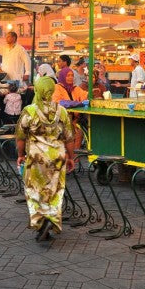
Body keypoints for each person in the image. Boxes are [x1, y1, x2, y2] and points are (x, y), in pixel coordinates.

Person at [15, 76, 75, 242]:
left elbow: (20, 136)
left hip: (35, 158)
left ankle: (41, 224)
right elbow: (69, 137)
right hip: (57, 157)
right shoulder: (61, 111)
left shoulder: (30, 111)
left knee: (35, 191)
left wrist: (20, 154)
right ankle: (50, 220)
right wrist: (71, 157)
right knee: (54, 192)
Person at [53, 67, 88, 149]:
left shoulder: (75, 88)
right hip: (61, 121)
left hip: (75, 121)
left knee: (80, 132)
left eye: (72, 75)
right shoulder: (56, 88)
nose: (70, 77)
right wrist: (77, 103)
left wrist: (93, 94)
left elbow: (85, 96)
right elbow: (59, 102)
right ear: (62, 77)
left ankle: (75, 158)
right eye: (68, 75)